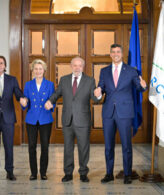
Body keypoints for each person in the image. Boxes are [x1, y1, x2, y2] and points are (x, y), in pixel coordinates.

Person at [94, 44, 147, 184]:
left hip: (125, 112)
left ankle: (128, 174)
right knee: (108, 146)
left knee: (126, 145)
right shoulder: (104, 71)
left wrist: (143, 86)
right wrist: (98, 94)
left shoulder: (131, 70)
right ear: (110, 54)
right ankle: (109, 173)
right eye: (113, 52)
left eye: (118, 52)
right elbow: (101, 88)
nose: (116, 54)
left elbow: (138, 87)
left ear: (122, 54)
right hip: (108, 113)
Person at [45, 57, 98, 183]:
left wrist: (98, 94)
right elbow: (57, 94)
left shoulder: (90, 81)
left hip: (83, 120)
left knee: (83, 148)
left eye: (80, 65)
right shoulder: (64, 80)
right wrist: (50, 101)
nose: (77, 68)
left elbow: (95, 99)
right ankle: (68, 173)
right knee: (68, 148)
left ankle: (83, 173)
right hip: (67, 120)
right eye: (75, 65)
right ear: (71, 66)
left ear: (83, 67)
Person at [20, 59, 55, 180]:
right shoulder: (28, 85)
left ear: (44, 70)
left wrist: (51, 105)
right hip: (31, 119)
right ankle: (33, 173)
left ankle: (43, 172)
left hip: (45, 119)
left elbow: (53, 100)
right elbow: (25, 102)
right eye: (36, 69)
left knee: (45, 146)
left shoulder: (50, 84)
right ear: (32, 70)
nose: (38, 71)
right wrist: (23, 102)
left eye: (40, 69)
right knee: (31, 146)